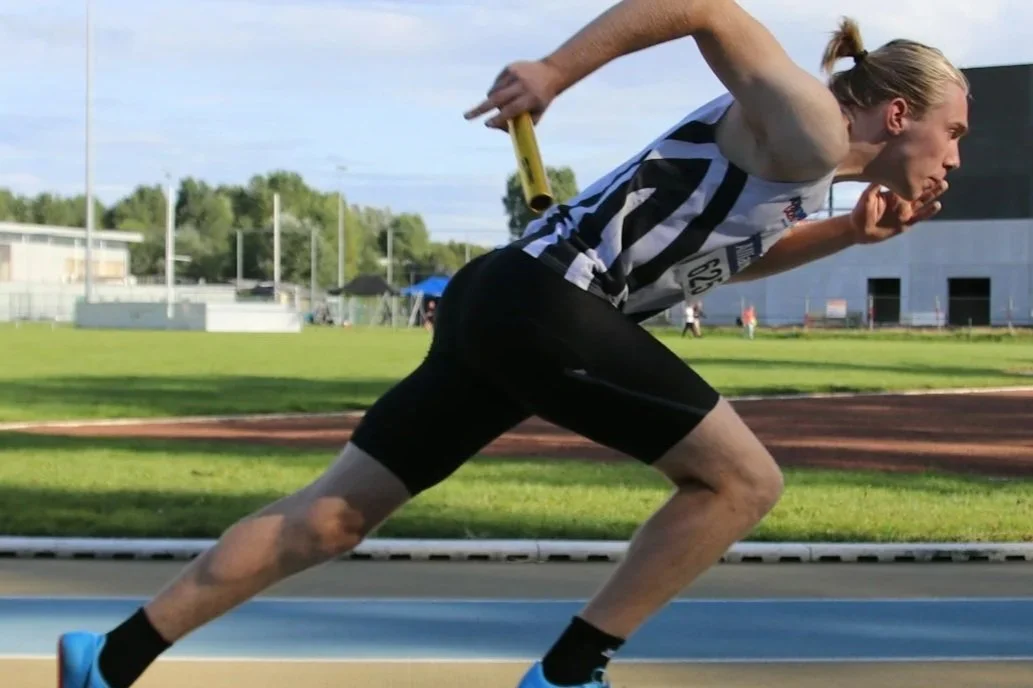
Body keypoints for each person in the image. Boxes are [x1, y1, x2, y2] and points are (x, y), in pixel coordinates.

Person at [57, 2, 967, 687]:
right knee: (742, 482)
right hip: (547, 305)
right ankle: (568, 674)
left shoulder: (805, 173)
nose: (956, 156)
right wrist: (554, 71)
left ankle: (109, 659)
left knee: (330, 518)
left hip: (502, 298)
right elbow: (704, 7)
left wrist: (846, 235)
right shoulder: (811, 124)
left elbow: (707, 266)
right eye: (954, 131)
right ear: (896, 114)